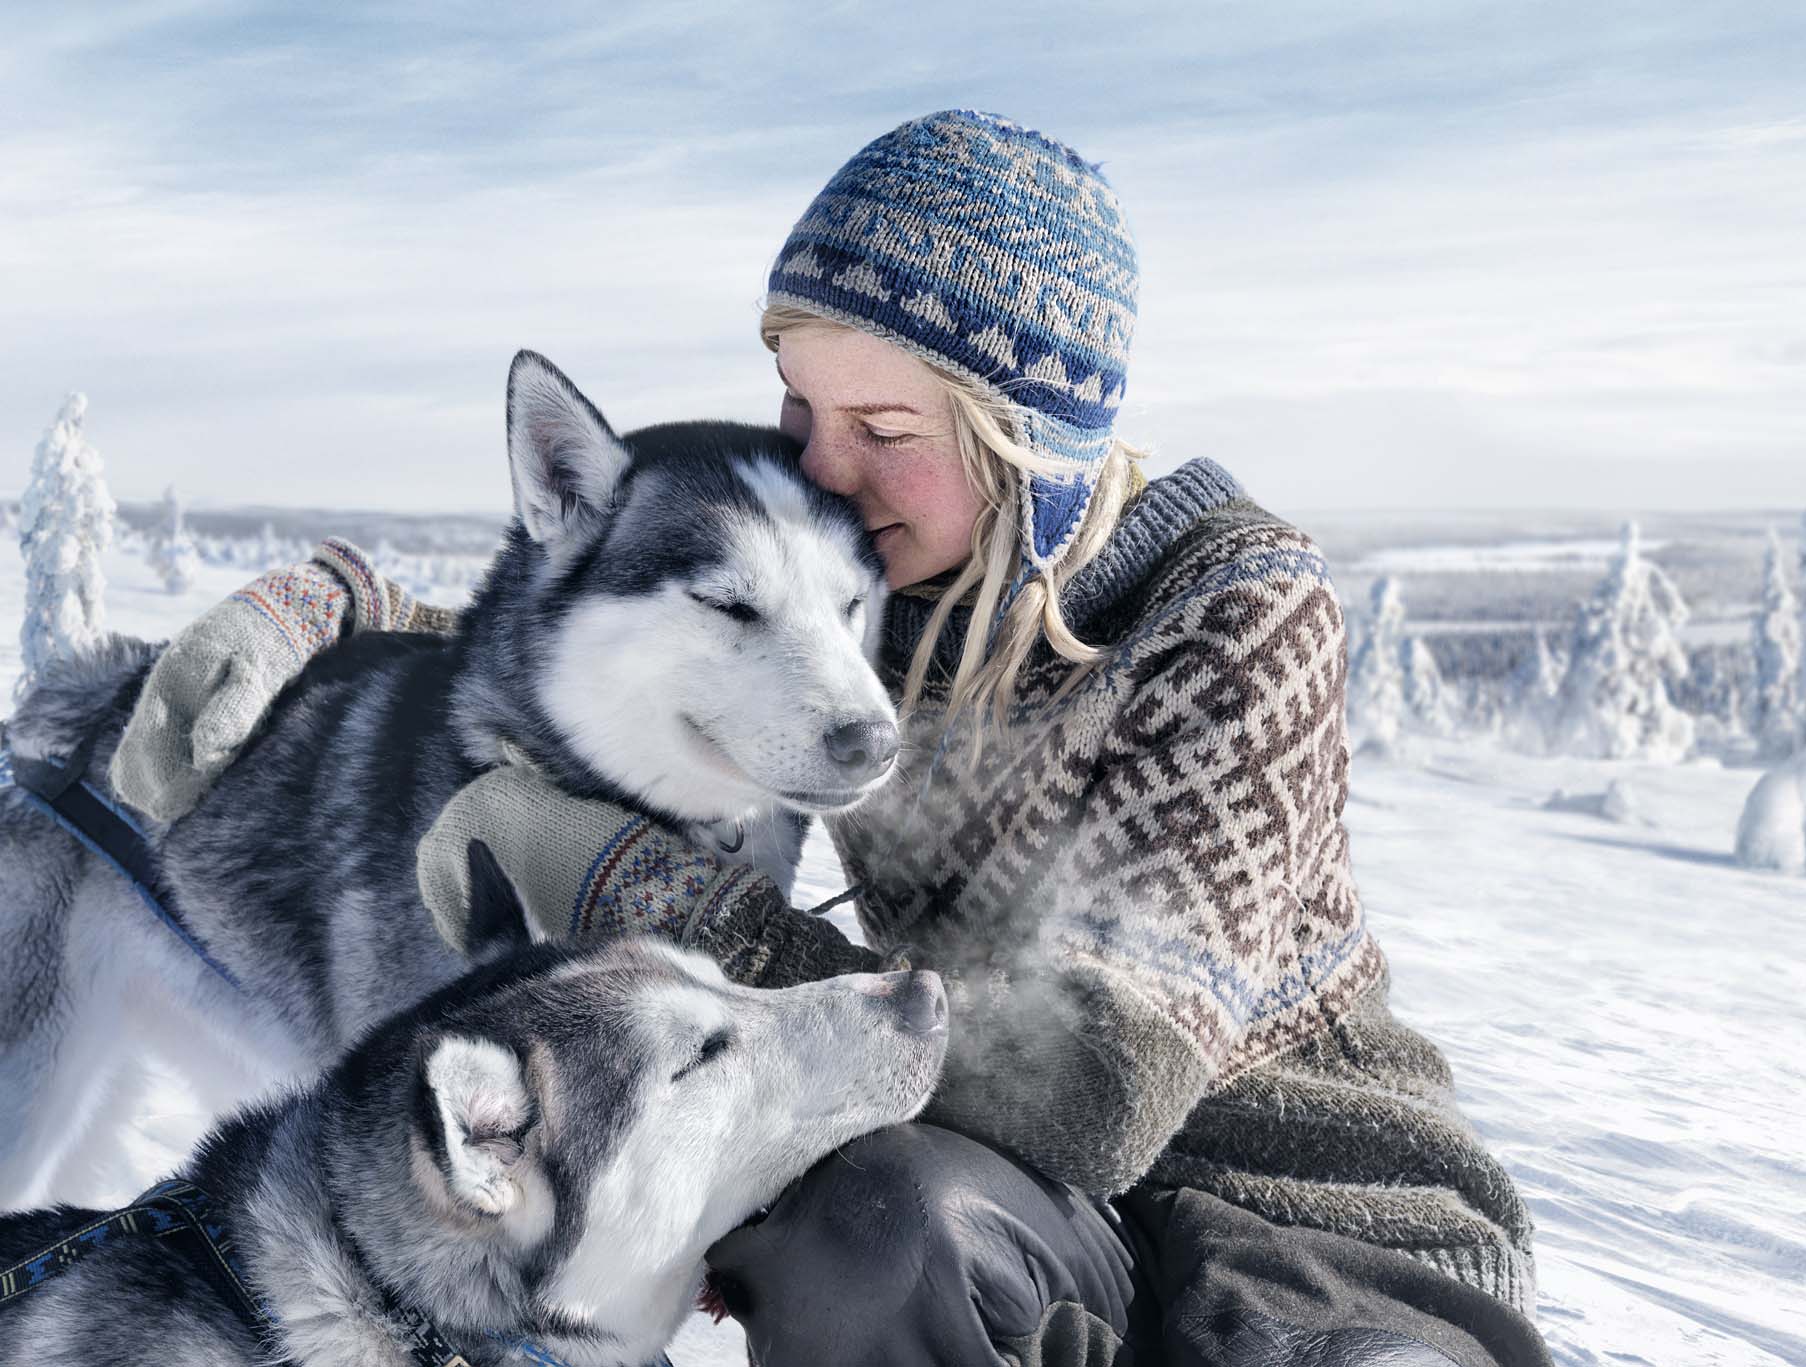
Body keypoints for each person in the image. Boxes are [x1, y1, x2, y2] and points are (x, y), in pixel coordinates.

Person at [110, 110, 1550, 1367]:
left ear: (1026, 449)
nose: (820, 470)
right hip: (988, 1214)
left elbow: (1097, 1092)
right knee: (869, 1227)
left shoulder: (1234, 617)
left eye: (880, 424)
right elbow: (571, 619)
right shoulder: (885, 587)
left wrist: (622, 879)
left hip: (1304, 1228)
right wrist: (315, 601)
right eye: (801, 407)